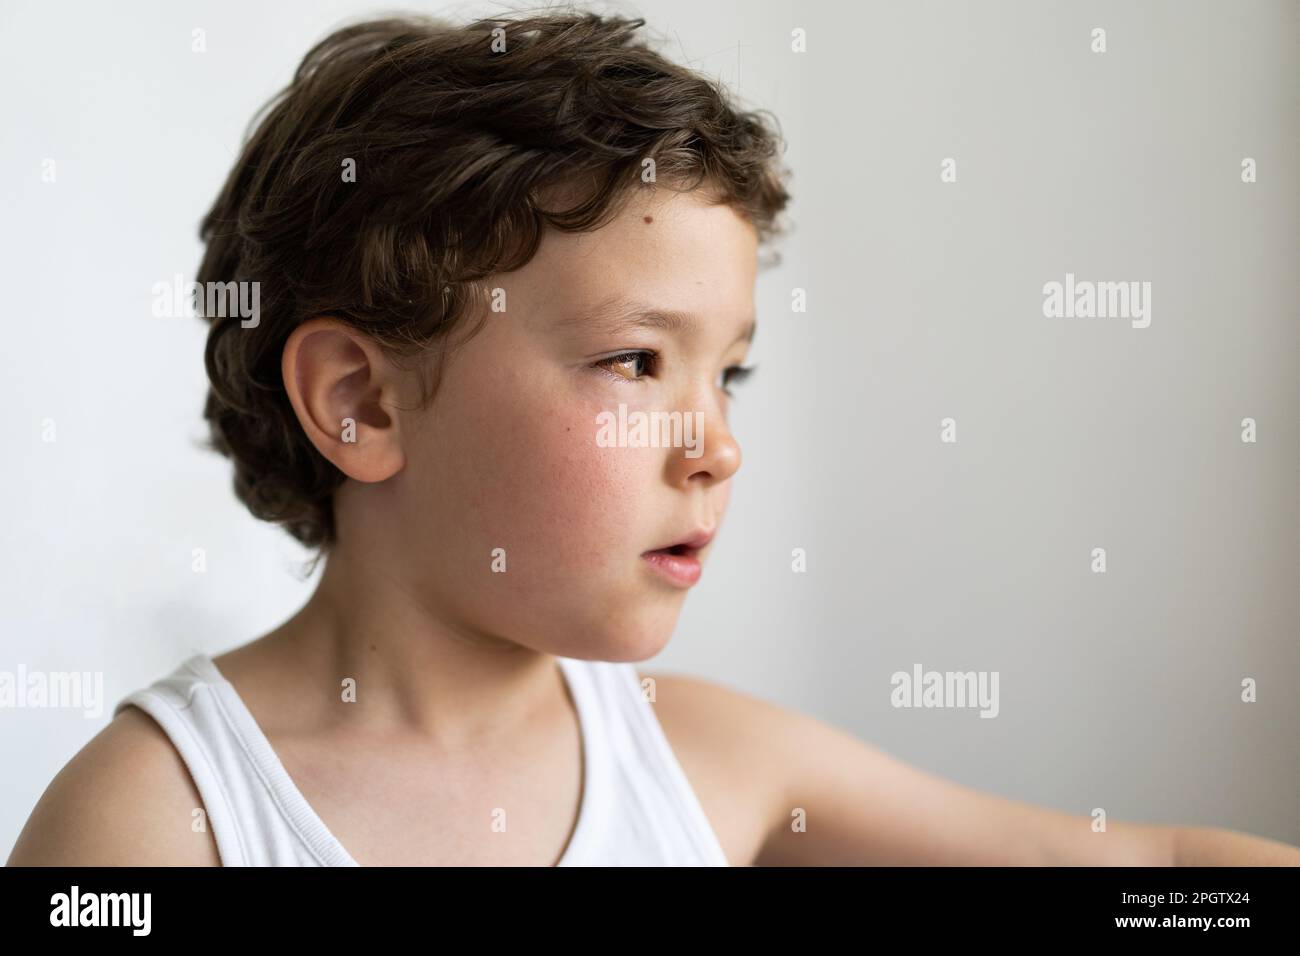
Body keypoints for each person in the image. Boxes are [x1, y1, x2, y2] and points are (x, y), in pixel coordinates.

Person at [9, 11, 1298, 866]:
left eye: (728, 371)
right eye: (636, 361)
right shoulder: (153, 824)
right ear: (364, 402)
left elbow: (1142, 872)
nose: (718, 446)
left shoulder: (704, 762)